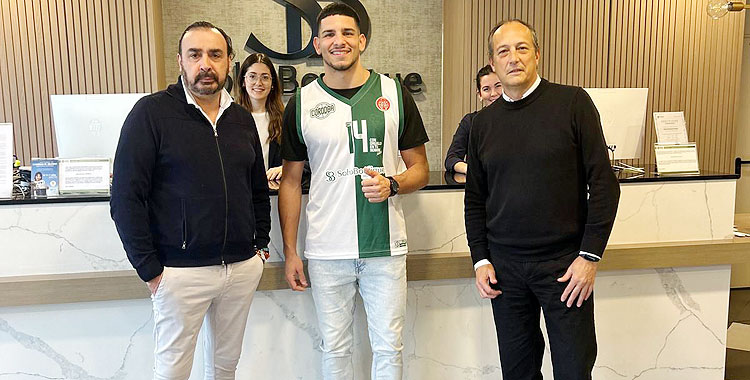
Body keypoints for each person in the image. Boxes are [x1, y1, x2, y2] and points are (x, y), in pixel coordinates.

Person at [110, 21, 271, 380]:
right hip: (179, 273)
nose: (205, 64)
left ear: (229, 61)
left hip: (241, 268)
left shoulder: (241, 119)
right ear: (180, 61)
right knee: (172, 372)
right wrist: (150, 269)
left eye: (215, 55)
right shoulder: (151, 114)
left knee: (225, 367)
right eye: (195, 54)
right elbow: (125, 198)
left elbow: (257, 189)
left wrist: (260, 245)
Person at [278, 3, 429, 379]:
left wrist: (393, 184)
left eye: (347, 33)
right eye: (329, 34)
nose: (338, 41)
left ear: (362, 40)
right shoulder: (302, 103)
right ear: (317, 44)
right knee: (335, 350)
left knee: (389, 349)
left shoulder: (395, 94)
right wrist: (292, 251)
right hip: (327, 251)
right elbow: (291, 182)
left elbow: (421, 170)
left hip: (385, 249)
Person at [464, 19, 620, 380]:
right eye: (503, 51)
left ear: (537, 54)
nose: (513, 58)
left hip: (566, 268)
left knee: (573, 370)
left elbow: (604, 184)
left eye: (522, 48)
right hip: (505, 269)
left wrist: (589, 256)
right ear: (493, 62)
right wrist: (480, 259)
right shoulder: (482, 124)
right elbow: (475, 199)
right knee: (518, 372)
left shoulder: (572, 103)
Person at [236, 52, 284, 187]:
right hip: (242, 197)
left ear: (272, 83)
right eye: (252, 76)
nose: (258, 83)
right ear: (243, 81)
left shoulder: (285, 119)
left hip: (275, 197)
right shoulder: (230, 119)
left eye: (265, 77)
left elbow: (304, 159)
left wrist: (285, 168)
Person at [444, 65, 502, 173]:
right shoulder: (470, 122)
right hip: (481, 186)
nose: (493, 93)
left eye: (498, 86)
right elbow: (451, 159)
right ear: (479, 94)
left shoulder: (519, 120)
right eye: (486, 89)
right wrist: (473, 171)